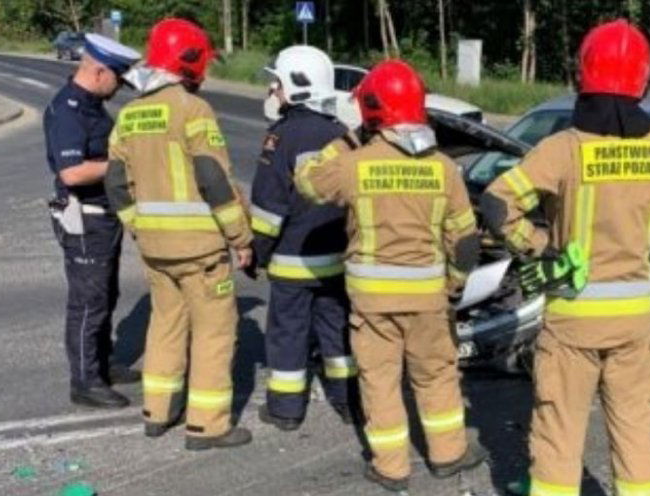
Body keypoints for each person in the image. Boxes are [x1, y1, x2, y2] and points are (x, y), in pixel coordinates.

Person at [482, 20, 650, 496]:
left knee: (558, 432)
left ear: (582, 76)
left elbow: (497, 204)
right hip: (633, 321)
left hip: (571, 320)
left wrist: (540, 247)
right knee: (634, 431)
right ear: (644, 80)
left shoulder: (560, 150)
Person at [294, 59, 487, 491]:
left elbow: (306, 181)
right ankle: (448, 454)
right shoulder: (444, 168)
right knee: (436, 376)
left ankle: (391, 467)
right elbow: (466, 241)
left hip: (372, 303)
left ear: (371, 111)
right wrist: (453, 286)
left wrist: (347, 139)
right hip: (429, 301)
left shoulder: (356, 164)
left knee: (379, 381)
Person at [104, 18, 254, 451]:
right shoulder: (192, 109)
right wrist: (240, 237)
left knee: (165, 324)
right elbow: (213, 177)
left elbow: (115, 183)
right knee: (213, 332)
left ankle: (157, 411)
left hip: (154, 247)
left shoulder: (130, 113)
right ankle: (207, 426)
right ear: (189, 61)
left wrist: (138, 226)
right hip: (200, 248)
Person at [249, 45, 358, 431]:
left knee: (288, 336)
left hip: (293, 263)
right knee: (337, 332)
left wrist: (255, 255)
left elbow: (267, 207)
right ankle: (350, 403)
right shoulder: (344, 136)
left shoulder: (281, 138)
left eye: (276, 84)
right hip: (338, 262)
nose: (272, 91)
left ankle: (286, 409)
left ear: (295, 87)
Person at [44, 33, 142, 409]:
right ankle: (85, 381)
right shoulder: (67, 109)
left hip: (104, 216)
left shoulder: (91, 105)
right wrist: (125, 166)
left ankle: (101, 364)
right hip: (83, 219)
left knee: (106, 294)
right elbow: (72, 173)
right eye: (117, 77)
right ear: (99, 71)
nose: (119, 86)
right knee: (88, 301)